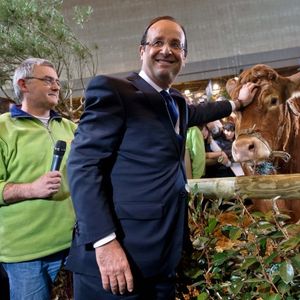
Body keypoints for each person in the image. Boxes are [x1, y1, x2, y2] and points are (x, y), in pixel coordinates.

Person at [66, 16, 258, 300]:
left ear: (185, 57)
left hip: (163, 260)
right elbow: (82, 166)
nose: (166, 50)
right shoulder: (114, 91)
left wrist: (237, 103)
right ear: (141, 51)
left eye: (175, 45)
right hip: (116, 262)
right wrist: (104, 243)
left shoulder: (176, 101)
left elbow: (199, 113)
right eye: (157, 42)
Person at [0, 58, 76, 300]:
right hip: (25, 255)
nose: (56, 87)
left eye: (57, 81)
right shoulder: (3, 129)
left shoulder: (70, 128)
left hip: (74, 246)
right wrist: (31, 189)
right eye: (47, 80)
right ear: (23, 84)